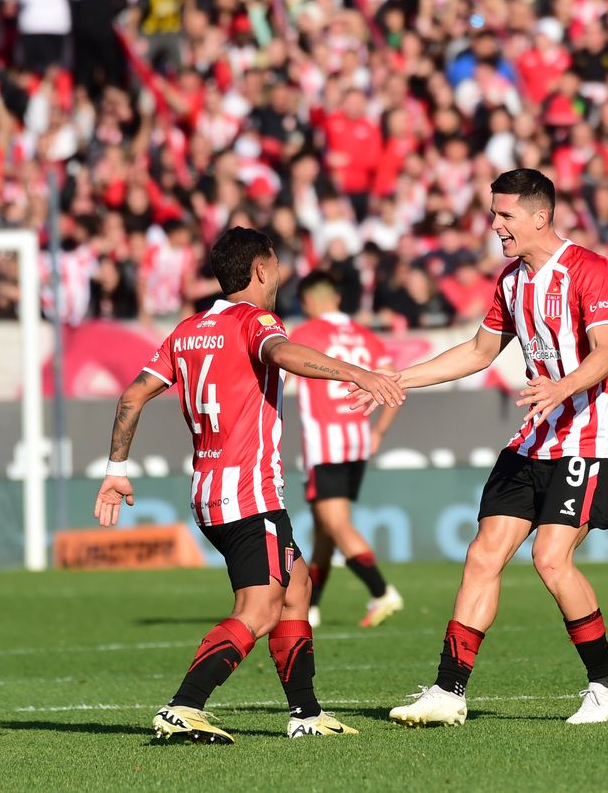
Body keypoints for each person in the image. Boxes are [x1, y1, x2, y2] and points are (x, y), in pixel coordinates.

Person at [93, 227, 404, 743]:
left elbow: (131, 396)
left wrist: (115, 469)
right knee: (259, 608)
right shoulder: (255, 320)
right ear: (261, 268)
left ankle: (305, 714)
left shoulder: (187, 330)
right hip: (248, 493)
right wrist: (357, 373)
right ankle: (183, 706)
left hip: (210, 491)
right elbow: (282, 354)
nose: (281, 273)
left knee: (297, 587)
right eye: (277, 264)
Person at [368, 168, 608, 727]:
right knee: (483, 554)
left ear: (540, 216)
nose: (495, 225)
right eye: (494, 214)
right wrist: (398, 379)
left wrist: (562, 386)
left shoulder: (588, 269)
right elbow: (478, 351)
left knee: (550, 558)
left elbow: (607, 353)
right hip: (534, 439)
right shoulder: (511, 282)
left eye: (505, 215)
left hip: (588, 438)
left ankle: (605, 686)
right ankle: (448, 691)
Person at [289, 270, 405, 629]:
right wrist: (379, 432)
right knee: (325, 529)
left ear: (308, 301)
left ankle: (382, 591)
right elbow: (396, 387)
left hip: (326, 443)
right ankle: (311, 607)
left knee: (336, 525)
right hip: (356, 441)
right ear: (337, 298)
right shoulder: (365, 336)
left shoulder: (305, 334)